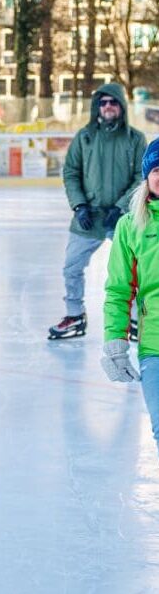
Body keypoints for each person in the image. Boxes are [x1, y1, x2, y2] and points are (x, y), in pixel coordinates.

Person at [49, 83, 146, 340]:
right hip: (89, 216)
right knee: (72, 267)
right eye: (102, 103)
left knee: (134, 269)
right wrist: (79, 205)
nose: (108, 107)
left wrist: (121, 207)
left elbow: (142, 176)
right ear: (97, 107)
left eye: (112, 102)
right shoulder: (85, 137)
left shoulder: (135, 139)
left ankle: (137, 320)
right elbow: (71, 172)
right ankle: (75, 316)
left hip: (123, 217)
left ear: (121, 106)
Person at [101, 138, 159, 442]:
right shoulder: (131, 225)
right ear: (147, 177)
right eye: (158, 169)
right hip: (155, 346)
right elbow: (118, 290)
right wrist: (115, 342)